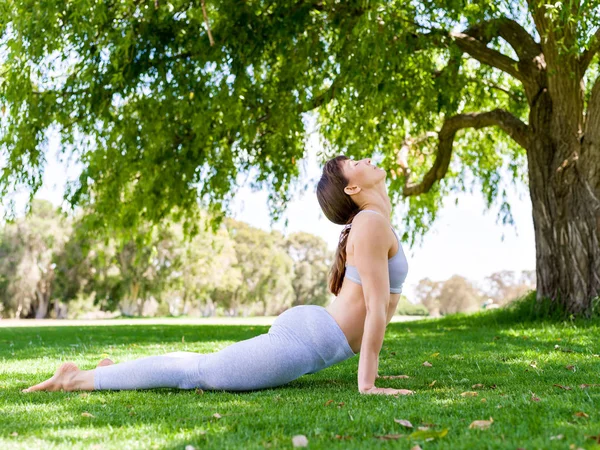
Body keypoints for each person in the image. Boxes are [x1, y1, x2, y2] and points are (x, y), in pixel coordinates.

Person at [22, 156, 411, 396]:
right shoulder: (371, 223)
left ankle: (117, 373)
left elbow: (372, 307)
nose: (368, 158)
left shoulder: (373, 222)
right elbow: (375, 309)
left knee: (200, 363)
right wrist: (368, 385)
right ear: (353, 186)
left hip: (314, 334)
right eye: (357, 162)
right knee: (199, 372)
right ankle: (73, 380)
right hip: (306, 343)